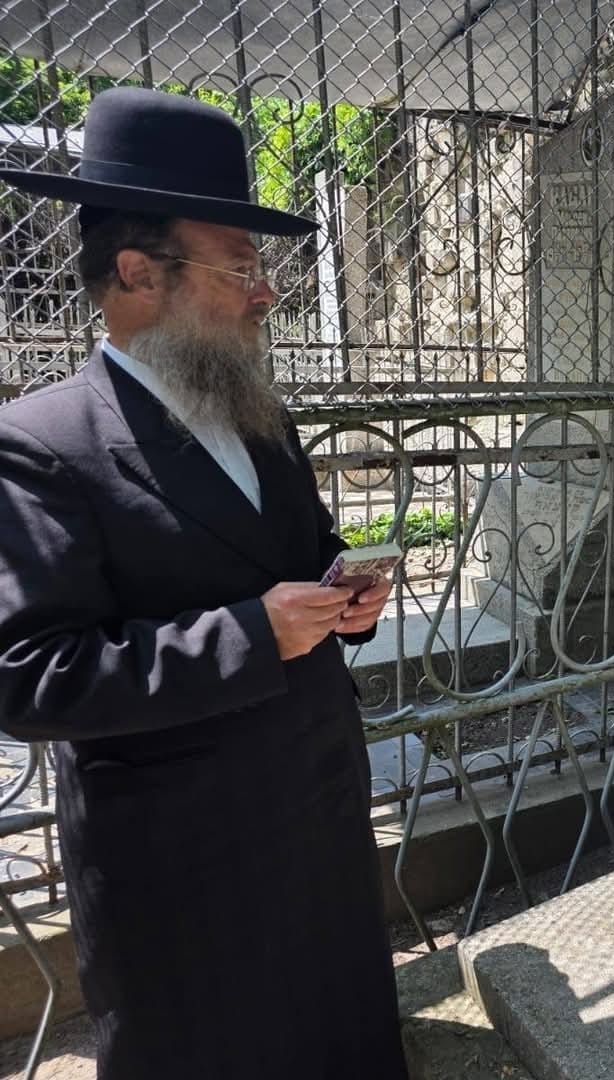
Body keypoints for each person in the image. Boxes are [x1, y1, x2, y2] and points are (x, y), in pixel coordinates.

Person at [0, 87, 408, 1078]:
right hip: (180, 858)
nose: (267, 293)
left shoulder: (257, 413)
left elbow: (301, 557)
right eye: (240, 267)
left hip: (314, 806)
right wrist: (253, 634)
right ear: (137, 272)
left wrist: (346, 601)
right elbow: (31, 677)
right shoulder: (42, 444)